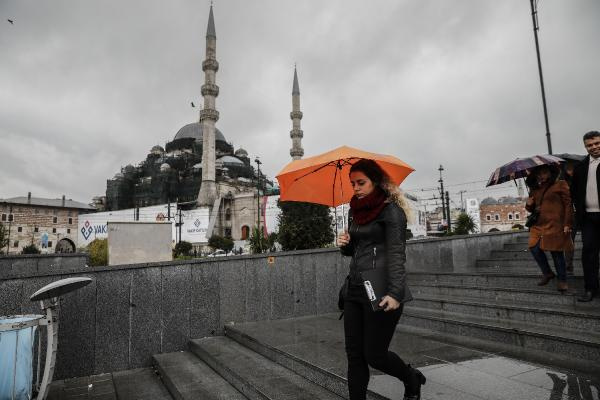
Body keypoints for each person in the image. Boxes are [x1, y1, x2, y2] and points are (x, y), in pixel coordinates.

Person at [337, 159, 425, 400]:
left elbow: (396, 253)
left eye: (361, 183)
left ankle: (410, 377)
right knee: (355, 355)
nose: (355, 188)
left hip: (381, 290)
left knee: (374, 355)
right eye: (352, 183)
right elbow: (357, 250)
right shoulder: (355, 210)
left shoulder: (392, 212)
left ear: (375, 182)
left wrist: (396, 293)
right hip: (354, 289)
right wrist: (345, 245)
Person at [525, 164, 573, 292]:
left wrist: (567, 223)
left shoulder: (560, 184)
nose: (541, 175)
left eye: (544, 172)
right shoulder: (535, 188)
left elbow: (568, 205)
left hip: (555, 224)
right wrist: (528, 205)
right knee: (533, 247)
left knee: (556, 252)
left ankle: (562, 281)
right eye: (539, 173)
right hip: (538, 225)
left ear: (551, 173)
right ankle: (547, 273)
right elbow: (531, 208)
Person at [570, 130, 600, 302]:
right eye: (590, 145)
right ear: (585, 147)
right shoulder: (580, 167)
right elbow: (574, 192)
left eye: (597, 143)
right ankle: (590, 289)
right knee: (588, 254)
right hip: (588, 218)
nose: (594, 147)